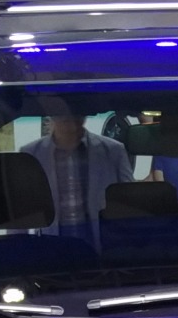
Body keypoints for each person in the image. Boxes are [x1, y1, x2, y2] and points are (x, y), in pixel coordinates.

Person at [20, 101, 133, 243]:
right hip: (51, 246)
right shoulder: (31, 154)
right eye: (65, 119)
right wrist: (16, 248)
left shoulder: (113, 151)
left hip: (102, 245)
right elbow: (20, 212)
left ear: (84, 117)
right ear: (51, 115)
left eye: (76, 117)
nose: (72, 126)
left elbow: (130, 203)